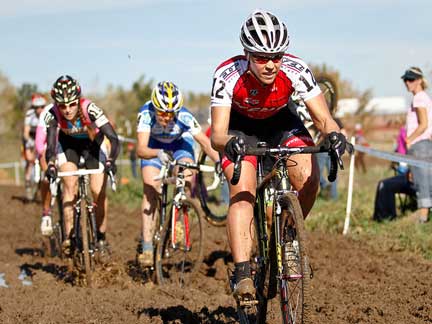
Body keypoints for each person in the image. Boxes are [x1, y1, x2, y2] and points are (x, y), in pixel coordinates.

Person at [210, 9, 349, 302]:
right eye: (261, 58)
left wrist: (334, 135)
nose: (271, 65)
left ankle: (288, 239)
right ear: (247, 53)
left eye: (277, 56)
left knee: (309, 179)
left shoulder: (296, 69)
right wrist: (229, 144)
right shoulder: (226, 74)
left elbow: (324, 119)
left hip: (281, 120)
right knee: (243, 192)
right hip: (240, 126)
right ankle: (244, 271)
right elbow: (217, 134)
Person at [136, 81, 219, 267]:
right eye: (162, 113)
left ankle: (180, 217)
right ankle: (148, 246)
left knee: (187, 176)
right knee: (150, 187)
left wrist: (220, 162)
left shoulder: (185, 116)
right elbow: (141, 149)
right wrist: (157, 153)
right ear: (154, 107)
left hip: (180, 146)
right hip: (153, 148)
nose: (166, 117)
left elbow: (205, 143)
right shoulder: (146, 113)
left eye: (170, 114)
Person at [44, 75, 119, 258]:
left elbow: (114, 139)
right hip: (69, 147)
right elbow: (52, 144)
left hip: (93, 146)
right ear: (57, 104)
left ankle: (101, 237)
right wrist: (52, 164)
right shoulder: (52, 115)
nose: (67, 110)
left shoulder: (90, 109)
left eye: (71, 104)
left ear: (78, 100)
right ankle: (69, 238)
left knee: (97, 191)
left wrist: (111, 160)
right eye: (62, 105)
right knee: (69, 185)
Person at [402, 67, 432, 223]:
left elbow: (424, 124)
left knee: (422, 182)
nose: (407, 82)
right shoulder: (425, 97)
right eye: (405, 79)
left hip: (419, 145)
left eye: (411, 79)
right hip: (425, 145)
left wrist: (409, 139)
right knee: (426, 181)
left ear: (420, 80)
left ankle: (423, 218)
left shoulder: (419, 98)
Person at [35, 102, 55, 235]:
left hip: (66, 150)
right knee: (46, 178)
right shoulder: (47, 112)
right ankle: (46, 213)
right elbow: (39, 143)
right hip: (48, 149)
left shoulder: (74, 109)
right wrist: (45, 166)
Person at [22, 94, 47, 200]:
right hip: (31, 138)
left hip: (42, 138)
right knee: (30, 160)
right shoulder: (29, 115)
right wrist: (30, 142)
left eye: (42, 107)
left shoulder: (47, 114)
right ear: (34, 108)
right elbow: (26, 132)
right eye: (37, 107)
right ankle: (28, 182)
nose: (39, 109)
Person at [317, 117, 346, 200]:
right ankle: (334, 197)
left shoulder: (320, 119)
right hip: (333, 150)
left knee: (317, 172)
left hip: (322, 149)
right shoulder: (336, 120)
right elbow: (344, 133)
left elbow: (319, 135)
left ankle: (325, 185)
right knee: (333, 173)